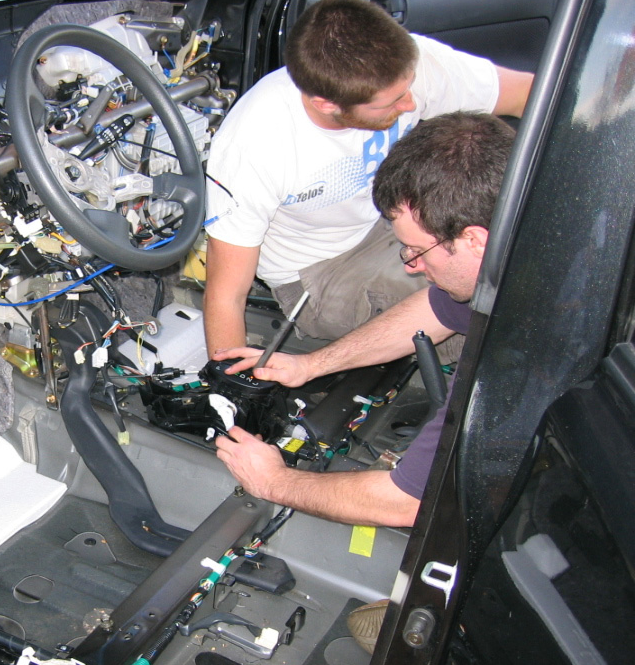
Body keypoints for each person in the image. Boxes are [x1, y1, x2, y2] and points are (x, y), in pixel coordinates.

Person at [213, 112, 516, 527]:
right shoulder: (518, 246)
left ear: (474, 240)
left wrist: (273, 480)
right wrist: (310, 364)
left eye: (416, 251)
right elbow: (434, 309)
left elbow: (405, 502)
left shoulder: (517, 353)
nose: (410, 266)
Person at [203, 0, 532, 354]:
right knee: (494, 319)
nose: (410, 104)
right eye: (390, 103)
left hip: (394, 221)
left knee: (527, 265)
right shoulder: (254, 145)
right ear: (326, 104)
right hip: (321, 271)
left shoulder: (403, 69)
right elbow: (226, 296)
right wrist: (228, 395)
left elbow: (529, 96)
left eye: (408, 89)